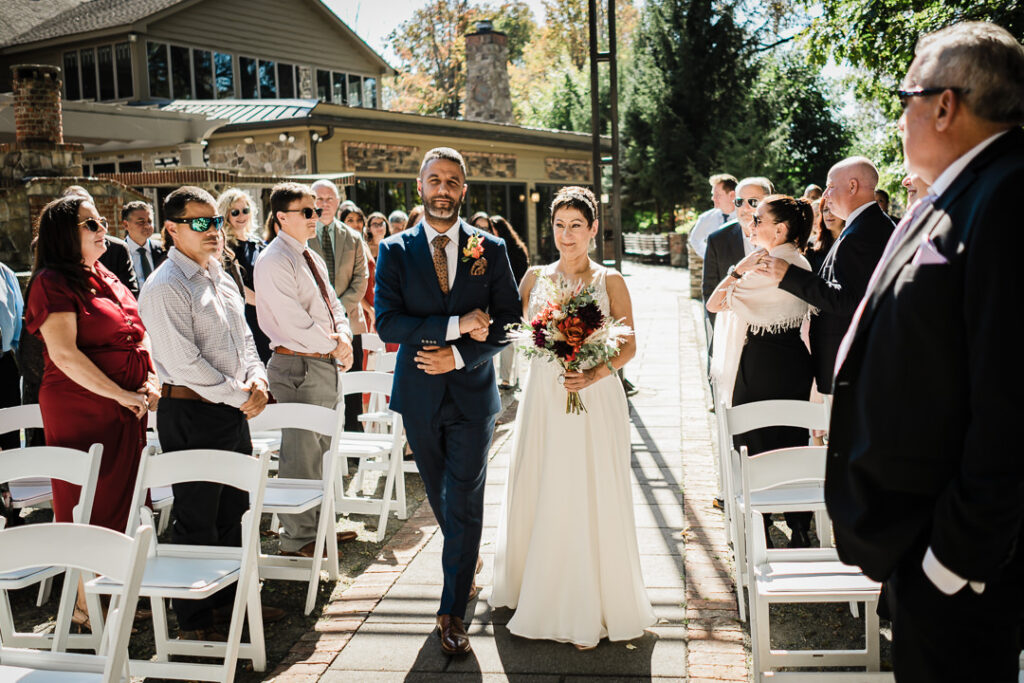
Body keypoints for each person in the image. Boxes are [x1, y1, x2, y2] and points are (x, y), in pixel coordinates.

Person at [826, 23, 1024, 681]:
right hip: (920, 550)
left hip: (959, 568)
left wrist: (953, 559)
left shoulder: (1006, 196)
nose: (900, 115)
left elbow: (1010, 399)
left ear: (946, 105)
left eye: (907, 96)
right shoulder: (960, 192)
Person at [491, 186, 655, 649]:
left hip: (595, 396)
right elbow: (518, 332)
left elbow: (629, 344)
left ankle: (591, 604)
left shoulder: (610, 280)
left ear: (593, 229)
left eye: (576, 226)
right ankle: (535, 587)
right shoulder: (534, 277)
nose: (567, 235)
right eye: (560, 225)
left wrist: (594, 370)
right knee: (544, 482)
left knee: (588, 487)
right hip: (545, 397)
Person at [374, 147, 521, 656]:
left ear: (464, 189)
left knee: (463, 494)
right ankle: (468, 551)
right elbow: (386, 321)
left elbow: (508, 322)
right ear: (421, 187)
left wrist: (457, 358)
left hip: (472, 395)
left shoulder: (491, 248)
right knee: (442, 495)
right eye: (434, 180)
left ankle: (452, 610)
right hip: (417, 393)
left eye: (452, 181)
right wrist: (455, 327)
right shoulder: (394, 250)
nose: (443, 189)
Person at [138, 186, 278, 640]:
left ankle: (231, 605)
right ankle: (194, 621)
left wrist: (258, 380)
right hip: (192, 411)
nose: (213, 230)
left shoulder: (220, 273)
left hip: (232, 407)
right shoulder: (164, 286)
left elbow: (246, 341)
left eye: (216, 220)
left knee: (234, 510)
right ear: (172, 229)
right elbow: (183, 364)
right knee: (197, 515)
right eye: (201, 223)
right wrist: (241, 396)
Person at [23, 196, 160, 627]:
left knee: (123, 500)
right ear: (66, 234)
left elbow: (139, 333)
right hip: (82, 407)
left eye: (102, 220)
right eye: (91, 224)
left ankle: (114, 589)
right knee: (86, 502)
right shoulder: (51, 281)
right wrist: (119, 394)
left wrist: (151, 377)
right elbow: (64, 354)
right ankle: (86, 604)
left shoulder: (104, 273)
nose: (103, 228)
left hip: (127, 405)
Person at [706, 195, 816, 547]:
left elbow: (715, 302)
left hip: (760, 362)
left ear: (780, 229)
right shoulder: (801, 261)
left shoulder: (766, 265)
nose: (751, 226)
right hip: (795, 360)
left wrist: (738, 270)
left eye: (758, 220)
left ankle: (763, 521)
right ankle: (800, 526)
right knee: (792, 439)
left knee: (753, 442)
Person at [254, 183, 355, 557]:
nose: (317, 216)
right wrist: (335, 345)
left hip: (321, 361)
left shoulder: (309, 255)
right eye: (307, 211)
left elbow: (332, 304)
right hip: (297, 362)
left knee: (323, 450)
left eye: (317, 210)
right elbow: (293, 321)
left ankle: (319, 526)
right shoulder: (273, 260)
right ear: (282, 217)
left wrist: (343, 335)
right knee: (301, 452)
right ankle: (298, 539)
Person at [760, 157, 894, 395]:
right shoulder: (862, 226)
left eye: (831, 186)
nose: (826, 195)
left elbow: (850, 301)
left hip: (852, 365)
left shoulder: (865, 232)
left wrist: (790, 275)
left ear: (853, 186)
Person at [309, 181, 369, 431]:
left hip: (349, 323)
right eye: (318, 199)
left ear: (337, 202)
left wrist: (338, 310)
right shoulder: (303, 236)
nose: (323, 204)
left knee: (352, 388)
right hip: (315, 326)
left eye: (329, 199)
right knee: (320, 389)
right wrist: (324, 312)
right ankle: (324, 443)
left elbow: (361, 278)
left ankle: (354, 446)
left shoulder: (352, 238)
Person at [701, 177, 773, 328]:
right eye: (740, 202)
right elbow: (709, 290)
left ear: (769, 203)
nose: (745, 209)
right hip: (731, 331)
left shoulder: (781, 238)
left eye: (753, 202)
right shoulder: (717, 240)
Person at [217, 188, 271, 363]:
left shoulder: (259, 245)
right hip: (244, 317)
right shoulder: (225, 249)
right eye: (235, 212)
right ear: (226, 215)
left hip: (267, 317)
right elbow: (234, 285)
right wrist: (265, 303)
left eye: (245, 210)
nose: (241, 215)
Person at [62, 187, 140, 298]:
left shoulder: (117, 251)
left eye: (101, 222)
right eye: (91, 224)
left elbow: (130, 297)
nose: (103, 230)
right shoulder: (51, 276)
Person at [488, 215, 530, 389]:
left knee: (509, 337)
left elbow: (521, 275)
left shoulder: (511, 250)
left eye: (491, 228)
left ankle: (507, 378)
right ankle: (506, 377)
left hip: (512, 298)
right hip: (499, 298)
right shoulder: (495, 248)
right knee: (505, 338)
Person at [0, 260, 24, 452]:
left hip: (5, 361)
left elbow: (18, 313)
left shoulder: (5, 273)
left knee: (11, 435)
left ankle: (9, 481)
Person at [688, 173, 738, 260]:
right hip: (716, 271)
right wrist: (710, 258)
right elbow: (694, 240)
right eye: (713, 194)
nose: (713, 198)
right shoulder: (706, 218)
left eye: (717, 195)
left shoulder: (745, 218)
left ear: (732, 195)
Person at [120, 201, 166, 287]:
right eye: (141, 222)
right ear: (126, 224)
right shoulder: (116, 253)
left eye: (149, 221)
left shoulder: (163, 250)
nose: (147, 226)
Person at [804, 201, 844, 273]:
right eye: (825, 210)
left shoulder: (853, 241)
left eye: (833, 209)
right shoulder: (811, 244)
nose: (829, 213)